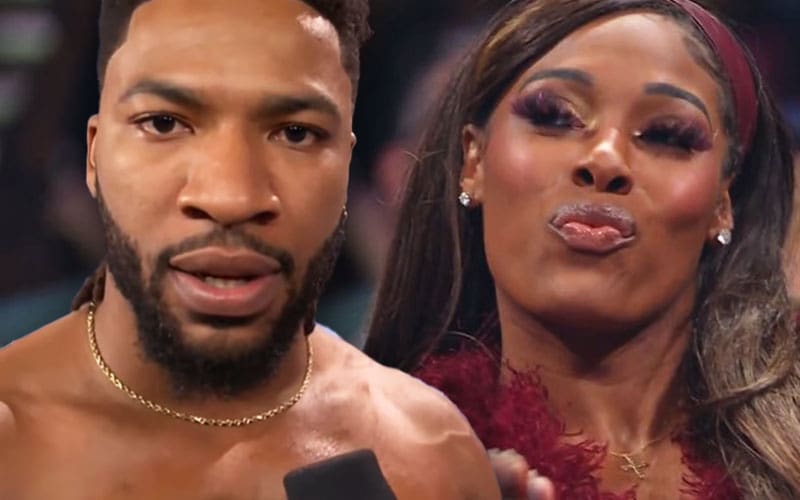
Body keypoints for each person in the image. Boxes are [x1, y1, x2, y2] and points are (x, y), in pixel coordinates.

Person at [0, 1, 504, 498]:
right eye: (164, 124)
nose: (232, 197)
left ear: (345, 167)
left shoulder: (429, 455)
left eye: (295, 134)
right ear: (95, 156)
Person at [365, 0, 799, 498]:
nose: (605, 159)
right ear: (474, 161)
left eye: (666, 136)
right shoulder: (381, 463)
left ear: (723, 201)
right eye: (554, 118)